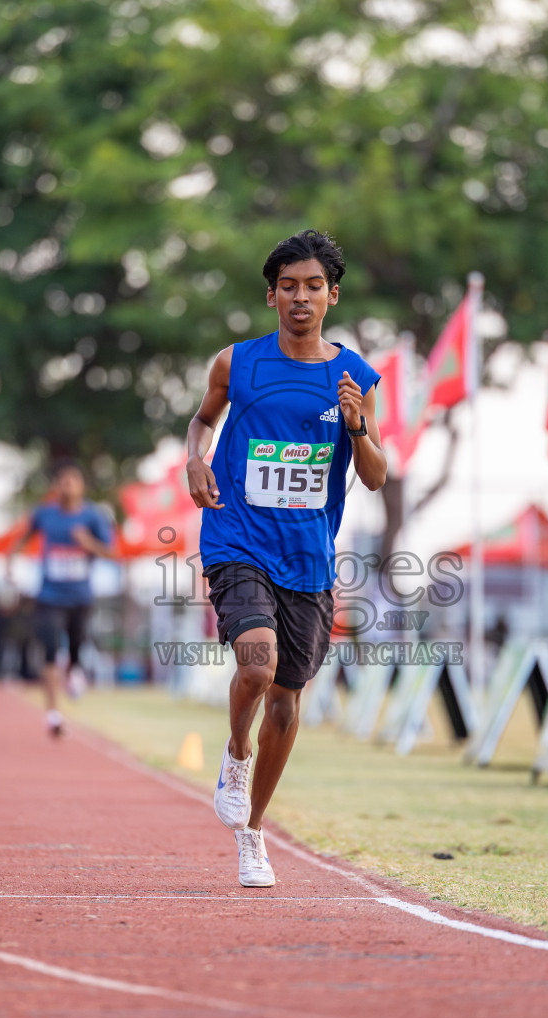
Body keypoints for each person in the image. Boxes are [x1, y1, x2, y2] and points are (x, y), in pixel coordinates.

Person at [186, 229, 385, 887]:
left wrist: (356, 425)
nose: (301, 297)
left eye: (314, 286)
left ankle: (253, 834)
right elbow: (203, 420)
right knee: (258, 663)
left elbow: (377, 476)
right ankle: (235, 753)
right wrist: (194, 459)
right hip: (237, 538)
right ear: (272, 295)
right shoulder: (236, 363)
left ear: (332, 295)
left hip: (308, 557)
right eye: (289, 286)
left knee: (288, 701)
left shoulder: (354, 375)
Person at [10, 460, 114, 736]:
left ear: (81, 487)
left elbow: (109, 552)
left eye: (72, 481)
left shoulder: (93, 517)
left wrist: (86, 542)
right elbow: (23, 538)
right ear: (56, 486)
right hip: (49, 595)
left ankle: (75, 671)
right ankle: (53, 714)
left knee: (76, 647)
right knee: (49, 649)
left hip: (79, 596)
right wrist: (11, 561)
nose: (66, 486)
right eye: (62, 481)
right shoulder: (45, 514)